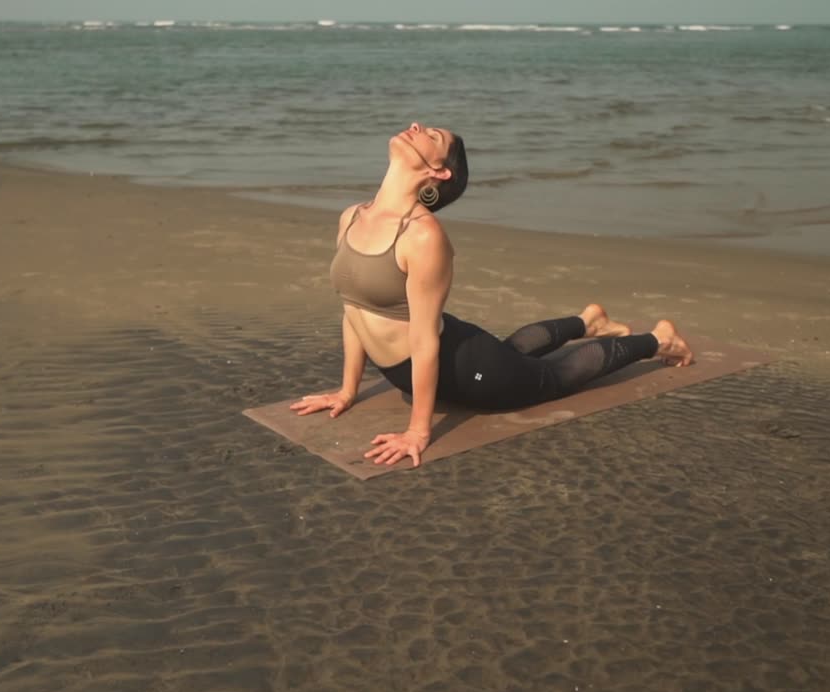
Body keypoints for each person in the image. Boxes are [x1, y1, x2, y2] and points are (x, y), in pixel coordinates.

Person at [290, 123, 693, 469]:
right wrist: (346, 391)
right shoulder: (352, 216)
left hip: (465, 370)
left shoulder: (422, 236)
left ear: (438, 172)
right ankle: (588, 322)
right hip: (436, 358)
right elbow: (353, 311)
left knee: (553, 377)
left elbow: (425, 339)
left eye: (431, 134)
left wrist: (417, 431)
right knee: (512, 351)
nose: (415, 126)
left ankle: (658, 341)